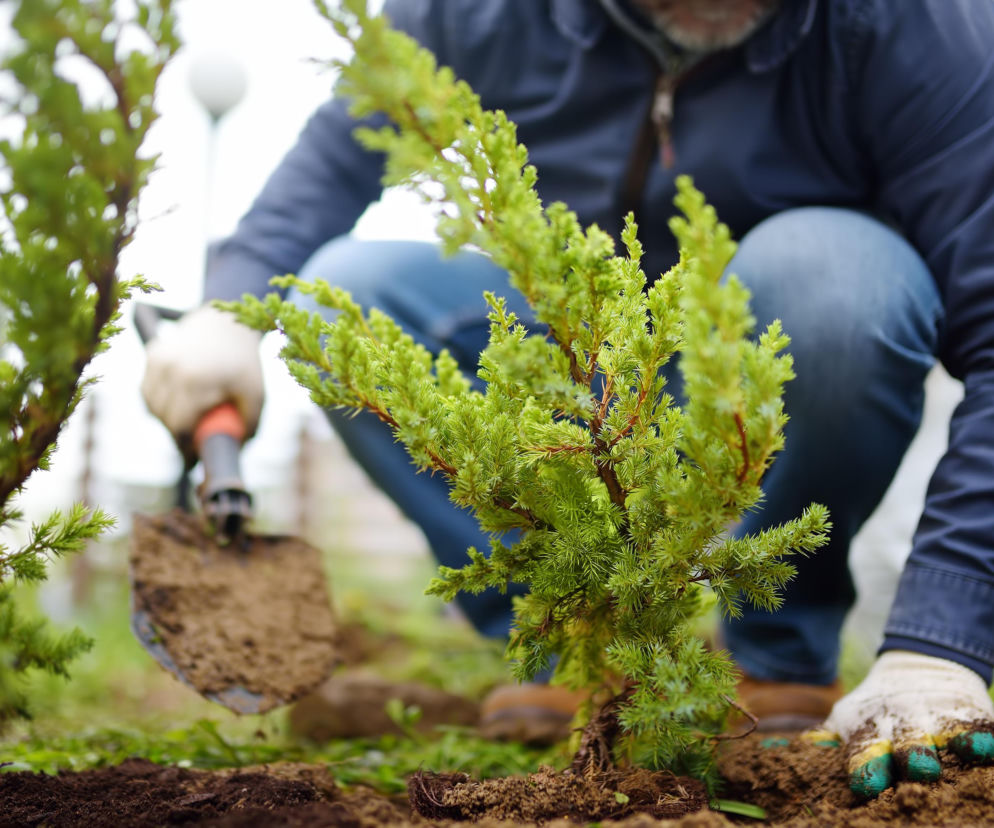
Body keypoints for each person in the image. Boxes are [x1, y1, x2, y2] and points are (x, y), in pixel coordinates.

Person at [142, 0, 994, 797]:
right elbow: (336, 156)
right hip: (568, 364)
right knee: (338, 300)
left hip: (767, 366)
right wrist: (230, 307)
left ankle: (778, 648)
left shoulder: (920, 29)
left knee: (837, 281)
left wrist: (939, 644)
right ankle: (564, 633)